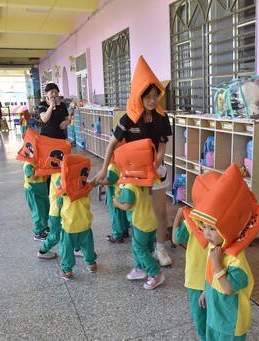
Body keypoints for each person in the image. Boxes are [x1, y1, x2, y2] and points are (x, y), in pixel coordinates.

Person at [93, 55, 173, 266]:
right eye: (148, 96)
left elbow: (163, 141)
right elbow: (111, 144)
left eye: (156, 95)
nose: (152, 100)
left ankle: (160, 248)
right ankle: (142, 249)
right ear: (139, 96)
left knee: (160, 211)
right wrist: (103, 171)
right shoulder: (128, 118)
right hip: (133, 173)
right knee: (139, 211)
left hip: (156, 170)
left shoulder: (162, 117)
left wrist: (158, 161)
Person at [188, 163, 259, 340]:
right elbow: (210, 276)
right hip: (215, 315)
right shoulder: (214, 248)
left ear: (227, 229)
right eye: (205, 227)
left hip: (231, 323)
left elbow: (228, 288)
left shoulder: (237, 262)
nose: (206, 233)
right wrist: (205, 292)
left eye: (212, 229)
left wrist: (217, 263)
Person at [172, 171, 221, 340]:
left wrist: (179, 216)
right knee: (214, 314)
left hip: (196, 279)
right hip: (217, 280)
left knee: (200, 317)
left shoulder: (191, 222)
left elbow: (176, 239)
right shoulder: (225, 226)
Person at [112, 139, 165, 290]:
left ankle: (155, 273)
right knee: (147, 248)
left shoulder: (129, 186)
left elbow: (127, 205)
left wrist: (116, 203)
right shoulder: (144, 180)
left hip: (140, 223)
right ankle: (140, 269)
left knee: (139, 249)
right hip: (151, 220)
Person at [54, 154, 97, 280]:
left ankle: (67, 270)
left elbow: (58, 204)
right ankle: (91, 264)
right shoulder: (86, 188)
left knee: (67, 248)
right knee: (87, 245)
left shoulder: (64, 190)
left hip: (69, 226)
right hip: (85, 224)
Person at [94, 156, 129, 244]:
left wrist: (100, 182)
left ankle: (117, 235)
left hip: (115, 197)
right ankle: (125, 232)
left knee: (116, 217)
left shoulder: (113, 166)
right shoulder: (126, 162)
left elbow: (110, 180)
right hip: (124, 195)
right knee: (124, 215)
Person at [22, 157, 49, 242]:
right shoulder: (28, 165)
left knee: (45, 209)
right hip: (33, 191)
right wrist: (42, 169)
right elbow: (33, 177)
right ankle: (39, 232)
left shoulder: (40, 161)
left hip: (42, 190)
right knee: (38, 211)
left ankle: (44, 226)